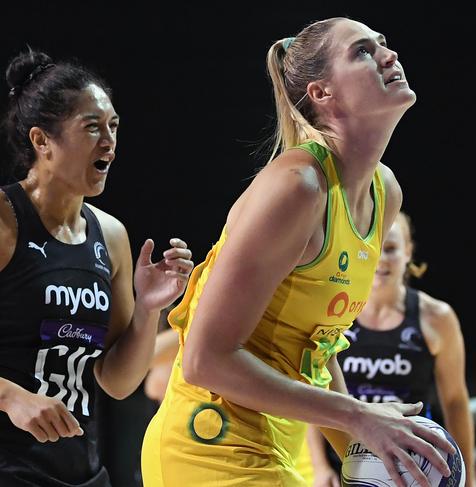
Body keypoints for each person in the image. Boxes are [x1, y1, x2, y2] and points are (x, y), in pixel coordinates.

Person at [142, 16, 459, 487]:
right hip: (208, 447)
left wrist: (362, 452)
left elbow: (320, 344)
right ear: (322, 93)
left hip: (279, 449)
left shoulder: (383, 191)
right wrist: (358, 416)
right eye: (363, 52)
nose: (388, 56)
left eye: (384, 45)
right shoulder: (297, 186)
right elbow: (204, 360)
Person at [0, 49, 194, 486]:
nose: (109, 141)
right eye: (92, 128)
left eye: (113, 126)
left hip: (80, 471)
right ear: (41, 141)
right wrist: (11, 396)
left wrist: (149, 309)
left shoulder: (111, 235)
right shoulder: (5, 220)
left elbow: (117, 382)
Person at [306, 212, 476, 487]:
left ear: (408, 252)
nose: (381, 258)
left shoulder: (437, 317)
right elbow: (314, 388)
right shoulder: (334, 310)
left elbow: (456, 401)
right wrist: (318, 465)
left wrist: (469, 477)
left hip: (411, 466)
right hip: (345, 458)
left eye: (392, 248)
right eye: (374, 247)